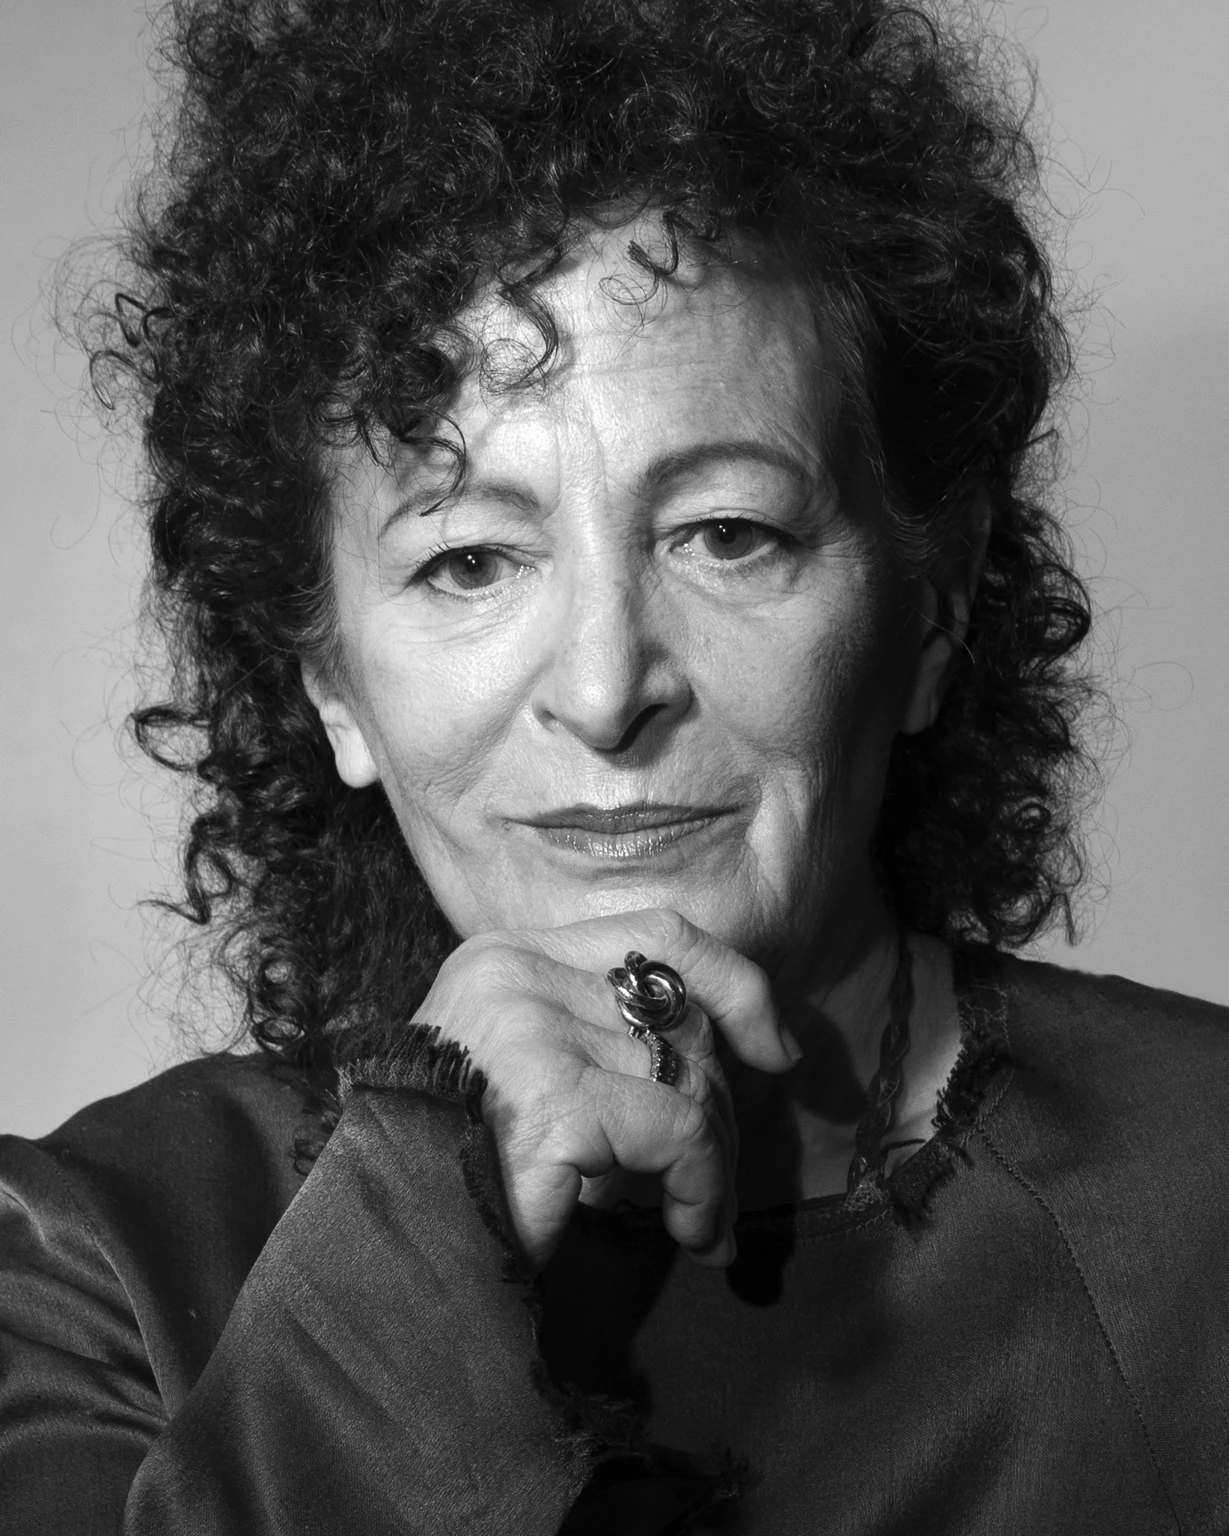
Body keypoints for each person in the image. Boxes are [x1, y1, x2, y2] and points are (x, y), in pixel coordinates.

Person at [2, 0, 1227, 1530]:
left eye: (727, 534)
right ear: (331, 686)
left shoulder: (1211, 1195)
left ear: (931, 607)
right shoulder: (82, 1261)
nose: (602, 690)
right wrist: (411, 1226)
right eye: (465, 562)